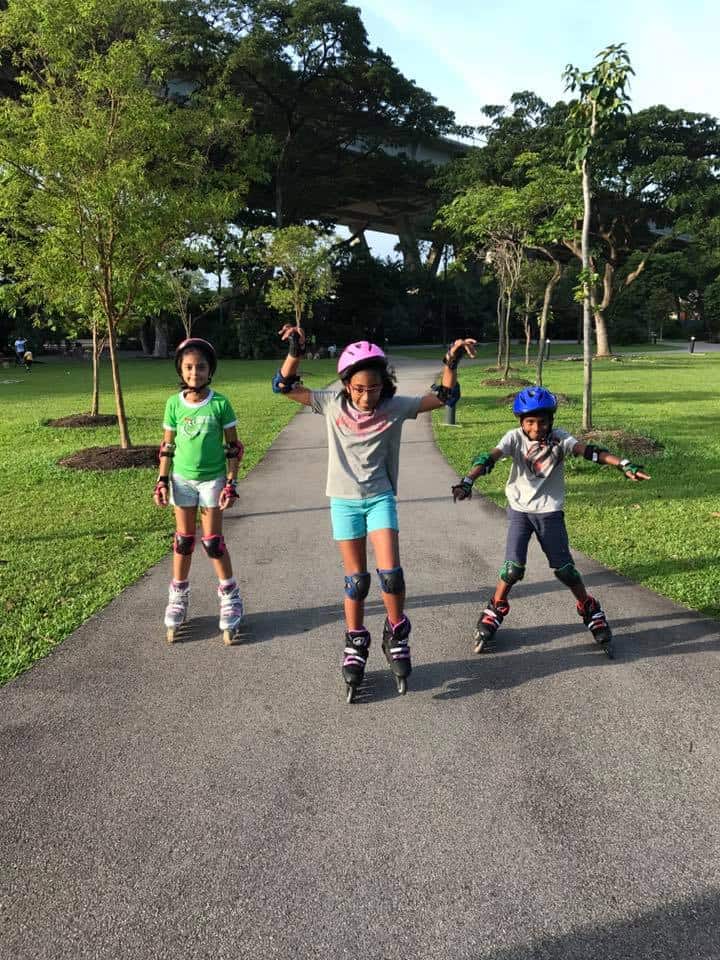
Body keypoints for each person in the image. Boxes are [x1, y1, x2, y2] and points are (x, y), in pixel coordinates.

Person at [273, 325, 477, 701]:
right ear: (346, 384)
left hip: (380, 497)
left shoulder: (394, 407)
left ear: (385, 384)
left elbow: (445, 396)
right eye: (359, 388)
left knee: (391, 576)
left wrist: (451, 361)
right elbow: (283, 387)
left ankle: (397, 631)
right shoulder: (331, 403)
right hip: (343, 501)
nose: (367, 396)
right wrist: (295, 350)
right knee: (357, 581)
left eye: (375, 387)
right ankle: (354, 641)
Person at [452, 386, 651, 657]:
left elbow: (590, 451)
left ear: (551, 421)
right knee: (512, 569)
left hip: (549, 512)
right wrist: (468, 480)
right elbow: (489, 458)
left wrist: (623, 463)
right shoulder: (513, 438)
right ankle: (495, 607)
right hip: (520, 510)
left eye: (542, 421)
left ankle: (589, 607)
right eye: (530, 422)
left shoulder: (560, 439)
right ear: (521, 422)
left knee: (565, 570)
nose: (536, 427)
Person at [153, 338, 245, 644]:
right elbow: (167, 446)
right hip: (182, 480)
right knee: (183, 540)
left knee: (213, 542)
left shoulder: (220, 403)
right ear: (181, 368)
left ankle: (230, 595)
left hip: (212, 480)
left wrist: (231, 483)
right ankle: (178, 594)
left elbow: (233, 448)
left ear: (210, 370)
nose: (195, 372)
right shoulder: (173, 403)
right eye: (189, 367)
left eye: (201, 366)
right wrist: (162, 480)